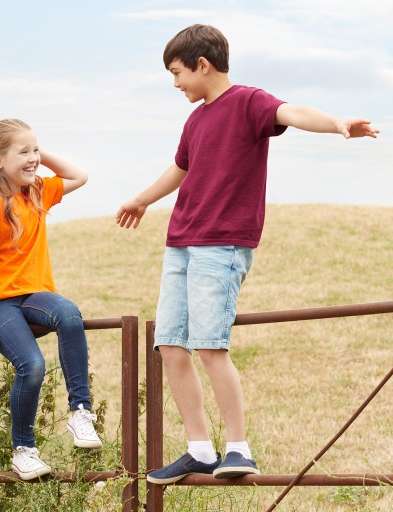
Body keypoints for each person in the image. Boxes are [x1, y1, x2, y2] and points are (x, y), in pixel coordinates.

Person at [116, 24, 379, 484]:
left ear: (202, 64)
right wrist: (142, 199)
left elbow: (293, 111)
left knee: (210, 345)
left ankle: (239, 449)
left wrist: (336, 123)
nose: (175, 83)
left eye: (177, 73)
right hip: (181, 243)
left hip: (222, 244)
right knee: (171, 345)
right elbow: (180, 169)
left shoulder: (248, 101)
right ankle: (199, 449)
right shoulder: (195, 119)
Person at [0, 118, 102, 481]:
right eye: (22, 152)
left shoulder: (37, 191)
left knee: (69, 313)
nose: (33, 159)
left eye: (35, 150)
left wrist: (37, 158)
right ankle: (23, 450)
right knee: (32, 366)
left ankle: (80, 412)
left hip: (33, 295)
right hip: (0, 303)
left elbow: (80, 175)